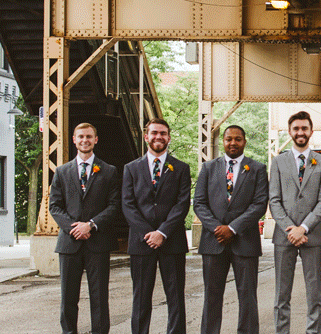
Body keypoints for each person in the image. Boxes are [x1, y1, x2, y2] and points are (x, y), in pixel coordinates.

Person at [193, 125, 269, 334]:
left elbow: (259, 204)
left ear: (244, 142)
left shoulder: (257, 169)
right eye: (228, 139)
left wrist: (233, 228)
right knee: (211, 297)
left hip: (245, 241)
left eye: (237, 139)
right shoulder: (208, 168)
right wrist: (217, 228)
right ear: (223, 141)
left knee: (247, 297)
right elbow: (199, 203)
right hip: (213, 242)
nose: (233, 143)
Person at [121, 118, 192, 334]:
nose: (158, 137)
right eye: (154, 133)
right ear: (146, 137)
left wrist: (162, 232)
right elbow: (128, 205)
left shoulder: (181, 168)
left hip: (172, 241)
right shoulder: (131, 168)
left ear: (169, 138)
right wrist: (148, 234)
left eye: (162, 133)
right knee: (141, 298)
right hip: (141, 243)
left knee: (176, 297)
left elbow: (182, 204)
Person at [49, 122, 120, 334]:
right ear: (74, 140)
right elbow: (55, 206)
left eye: (89, 136)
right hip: (69, 243)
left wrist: (90, 225)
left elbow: (114, 205)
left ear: (95, 140)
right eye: (80, 136)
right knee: (68, 297)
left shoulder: (109, 171)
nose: (84, 140)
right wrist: (75, 228)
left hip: (98, 242)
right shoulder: (62, 172)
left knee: (99, 296)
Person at [269, 111, 321, 334]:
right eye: (296, 128)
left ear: (311, 131)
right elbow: (274, 200)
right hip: (284, 236)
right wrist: (291, 229)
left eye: (304, 128)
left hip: (312, 236)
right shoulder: (278, 162)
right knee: (281, 294)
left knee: (315, 294)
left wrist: (303, 228)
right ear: (289, 131)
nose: (300, 132)